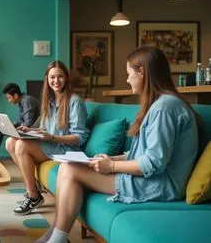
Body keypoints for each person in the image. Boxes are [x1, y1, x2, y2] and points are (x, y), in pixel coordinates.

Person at [36, 46, 199, 243]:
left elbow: (153, 163)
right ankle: (56, 234)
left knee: (70, 170)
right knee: (68, 167)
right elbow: (141, 152)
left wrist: (111, 166)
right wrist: (111, 158)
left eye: (129, 73)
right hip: (152, 178)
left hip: (161, 185)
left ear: (142, 72)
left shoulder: (165, 108)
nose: (127, 79)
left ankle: (57, 239)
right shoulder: (160, 105)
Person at [5, 60, 89, 216]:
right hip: (51, 144)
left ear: (66, 78)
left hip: (66, 149)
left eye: (60, 77)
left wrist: (51, 137)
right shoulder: (49, 100)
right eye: (52, 77)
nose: (56, 81)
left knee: (21, 146)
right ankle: (33, 189)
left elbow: (80, 137)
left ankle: (34, 196)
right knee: (10, 142)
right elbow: (44, 129)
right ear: (47, 79)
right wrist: (30, 130)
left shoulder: (74, 101)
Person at [0, 82, 40, 159]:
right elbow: (20, 120)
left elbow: (29, 123)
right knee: (0, 128)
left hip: (33, 129)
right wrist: (11, 125)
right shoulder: (21, 102)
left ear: (16, 95)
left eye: (9, 98)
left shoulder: (27, 101)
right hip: (27, 126)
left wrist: (15, 127)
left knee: (4, 132)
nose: (9, 100)